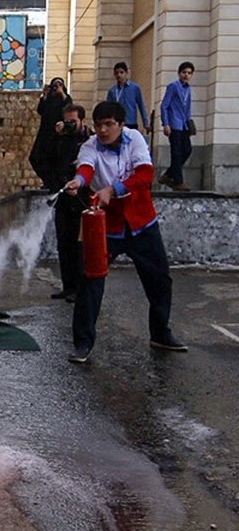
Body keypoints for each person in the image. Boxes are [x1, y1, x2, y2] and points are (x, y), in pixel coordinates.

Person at [62, 100, 187, 364]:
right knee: (90, 282)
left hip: (142, 222)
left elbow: (145, 175)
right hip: (105, 226)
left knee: (160, 280)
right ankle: (83, 343)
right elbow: (86, 169)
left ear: (121, 124)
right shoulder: (89, 146)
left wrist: (113, 189)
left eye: (109, 124)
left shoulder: (136, 139)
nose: (103, 131)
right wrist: (78, 181)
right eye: (98, 126)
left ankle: (160, 333)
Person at [50, 104, 90, 302]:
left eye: (73, 122)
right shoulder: (61, 139)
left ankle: (79, 288)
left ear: (82, 121)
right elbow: (43, 158)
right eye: (67, 121)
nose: (70, 125)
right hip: (63, 198)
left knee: (78, 246)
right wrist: (56, 136)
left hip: (81, 199)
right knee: (63, 244)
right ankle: (67, 286)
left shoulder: (89, 141)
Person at [29, 77, 72, 189]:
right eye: (55, 85)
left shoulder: (64, 99)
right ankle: (46, 180)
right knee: (35, 158)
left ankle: (53, 183)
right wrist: (45, 96)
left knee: (53, 160)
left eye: (59, 85)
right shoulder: (49, 99)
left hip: (57, 135)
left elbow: (69, 106)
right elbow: (40, 110)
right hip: (44, 134)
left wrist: (62, 93)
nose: (56, 88)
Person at [159, 61, 194, 191]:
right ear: (179, 73)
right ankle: (178, 181)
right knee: (176, 152)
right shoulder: (173, 86)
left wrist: (189, 123)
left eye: (189, 73)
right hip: (174, 123)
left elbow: (188, 107)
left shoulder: (188, 89)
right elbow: (164, 106)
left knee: (187, 149)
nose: (186, 75)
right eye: (184, 72)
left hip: (184, 124)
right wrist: (166, 123)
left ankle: (168, 174)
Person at [106, 62, 150, 132]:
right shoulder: (112, 91)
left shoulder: (135, 88)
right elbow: (108, 109)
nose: (119, 75)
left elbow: (141, 105)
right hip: (117, 123)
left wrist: (146, 123)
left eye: (121, 72)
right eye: (117, 73)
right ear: (114, 75)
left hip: (131, 123)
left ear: (126, 73)